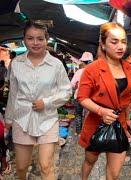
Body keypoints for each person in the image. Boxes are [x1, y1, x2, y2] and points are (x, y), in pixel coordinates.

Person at [4, 20, 72, 180]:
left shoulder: (56, 65)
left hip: (47, 119)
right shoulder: (16, 64)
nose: (35, 43)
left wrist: (46, 102)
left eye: (40, 38)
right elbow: (13, 93)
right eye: (30, 38)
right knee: (21, 166)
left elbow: (66, 91)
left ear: (46, 40)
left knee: (46, 165)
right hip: (22, 118)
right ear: (24, 40)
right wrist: (8, 118)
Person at [77, 22, 131, 180]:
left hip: (119, 123)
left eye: (123, 41)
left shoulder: (129, 68)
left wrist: (128, 118)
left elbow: (128, 97)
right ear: (103, 44)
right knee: (90, 161)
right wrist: (101, 111)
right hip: (96, 123)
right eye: (114, 42)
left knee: (114, 174)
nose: (120, 46)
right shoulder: (92, 69)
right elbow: (82, 97)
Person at [71, 52, 93, 134]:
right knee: (88, 115)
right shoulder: (93, 72)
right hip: (89, 98)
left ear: (83, 62)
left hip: (78, 96)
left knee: (78, 114)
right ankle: (86, 132)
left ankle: (78, 132)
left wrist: (77, 86)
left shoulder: (79, 72)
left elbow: (72, 84)